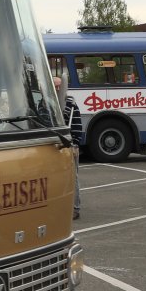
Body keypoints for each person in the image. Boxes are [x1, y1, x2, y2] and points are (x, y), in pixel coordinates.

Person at [54, 76, 84, 220]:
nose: (58, 89)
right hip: (54, 147)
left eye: (60, 86)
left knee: (73, 177)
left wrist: (76, 143)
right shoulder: (45, 104)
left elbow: (77, 125)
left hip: (69, 145)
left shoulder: (71, 105)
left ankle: (75, 208)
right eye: (55, 86)